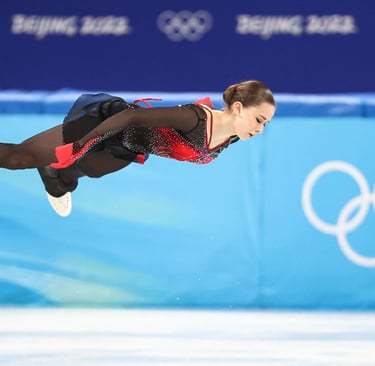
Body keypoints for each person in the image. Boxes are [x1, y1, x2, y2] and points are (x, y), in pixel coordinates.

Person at [0, 80, 276, 217]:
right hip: (106, 126)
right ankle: (52, 162)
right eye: (259, 120)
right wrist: (80, 145)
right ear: (238, 108)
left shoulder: (235, 135)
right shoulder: (195, 119)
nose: (260, 129)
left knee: (67, 179)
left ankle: (53, 173)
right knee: (18, 157)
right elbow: (132, 117)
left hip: (121, 150)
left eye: (266, 124)